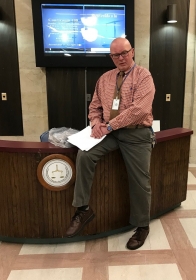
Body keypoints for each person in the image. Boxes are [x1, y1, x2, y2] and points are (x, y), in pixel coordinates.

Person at [66, 37, 156, 250]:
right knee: (85, 155)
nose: (121, 58)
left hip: (137, 134)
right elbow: (94, 106)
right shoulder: (105, 78)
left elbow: (139, 110)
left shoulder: (144, 76)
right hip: (110, 133)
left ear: (132, 51)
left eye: (124, 53)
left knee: (140, 180)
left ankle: (142, 226)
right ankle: (83, 208)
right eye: (116, 55)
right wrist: (97, 123)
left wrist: (109, 126)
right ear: (111, 57)